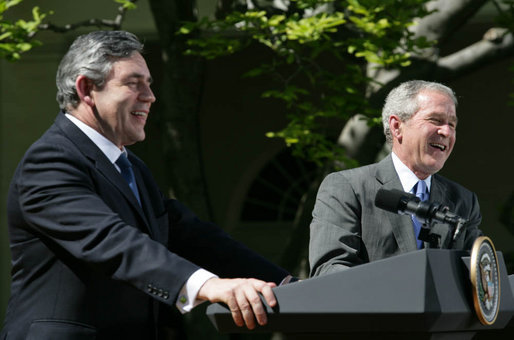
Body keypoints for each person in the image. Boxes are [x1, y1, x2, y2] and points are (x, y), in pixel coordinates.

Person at [1, 30, 294, 339]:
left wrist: (287, 286)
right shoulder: (50, 160)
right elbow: (111, 240)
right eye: (132, 83)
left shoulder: (130, 167)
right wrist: (208, 285)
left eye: (149, 84)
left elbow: (191, 235)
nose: (150, 96)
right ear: (87, 89)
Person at [309, 80, 483, 277]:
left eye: (452, 124)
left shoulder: (463, 201)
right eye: (435, 120)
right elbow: (331, 270)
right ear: (397, 126)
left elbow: (481, 277)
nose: (446, 132)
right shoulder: (348, 188)